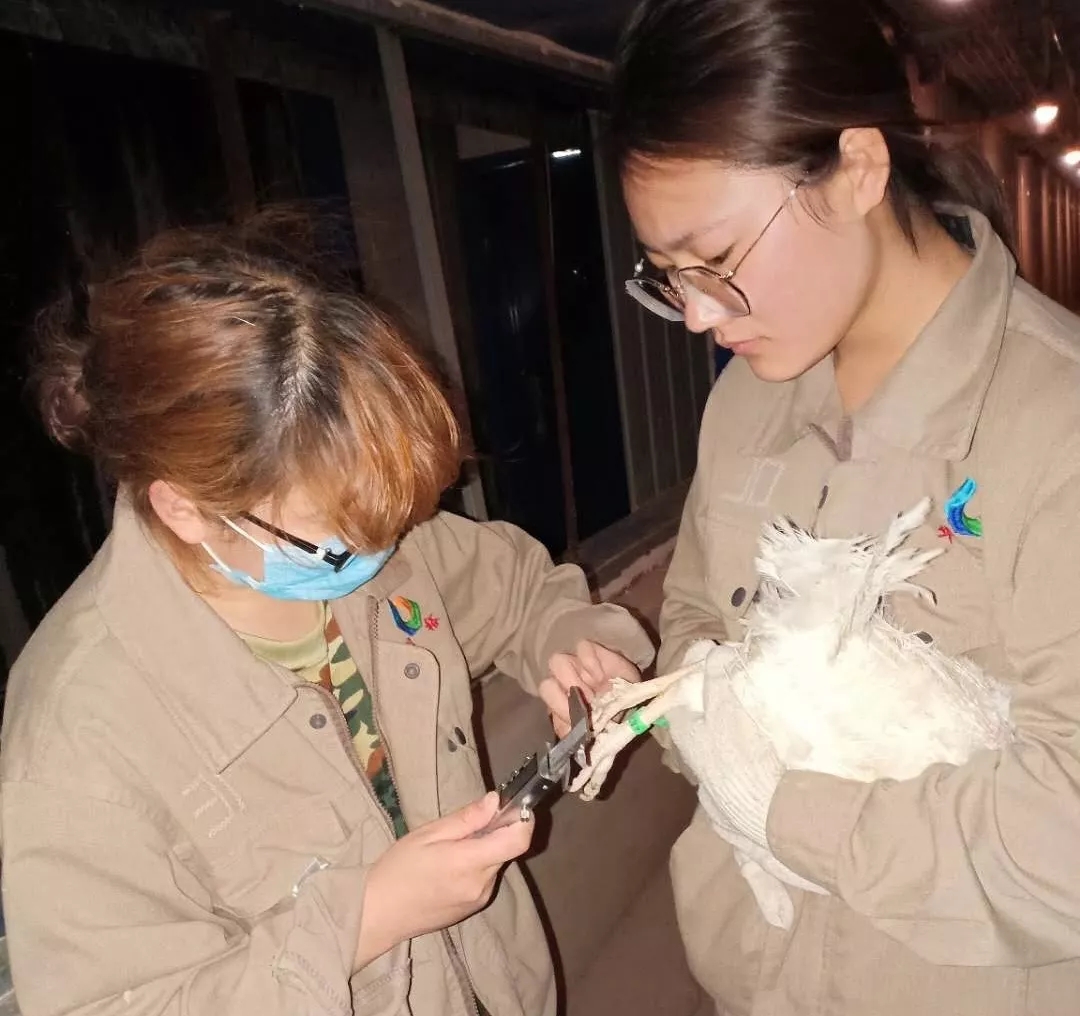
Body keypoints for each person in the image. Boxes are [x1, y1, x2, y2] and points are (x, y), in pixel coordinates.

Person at [0, 213, 655, 1016]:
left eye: (390, 518)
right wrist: (364, 921)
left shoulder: (366, 539)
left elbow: (522, 589)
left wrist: (574, 644)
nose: (382, 551)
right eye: (338, 543)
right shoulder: (79, 731)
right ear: (185, 509)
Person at [609, 1, 1080, 1014]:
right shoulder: (747, 402)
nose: (696, 315)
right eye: (668, 276)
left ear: (859, 168)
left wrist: (783, 809)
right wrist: (706, 713)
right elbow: (693, 613)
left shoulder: (1056, 430)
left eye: (716, 260)